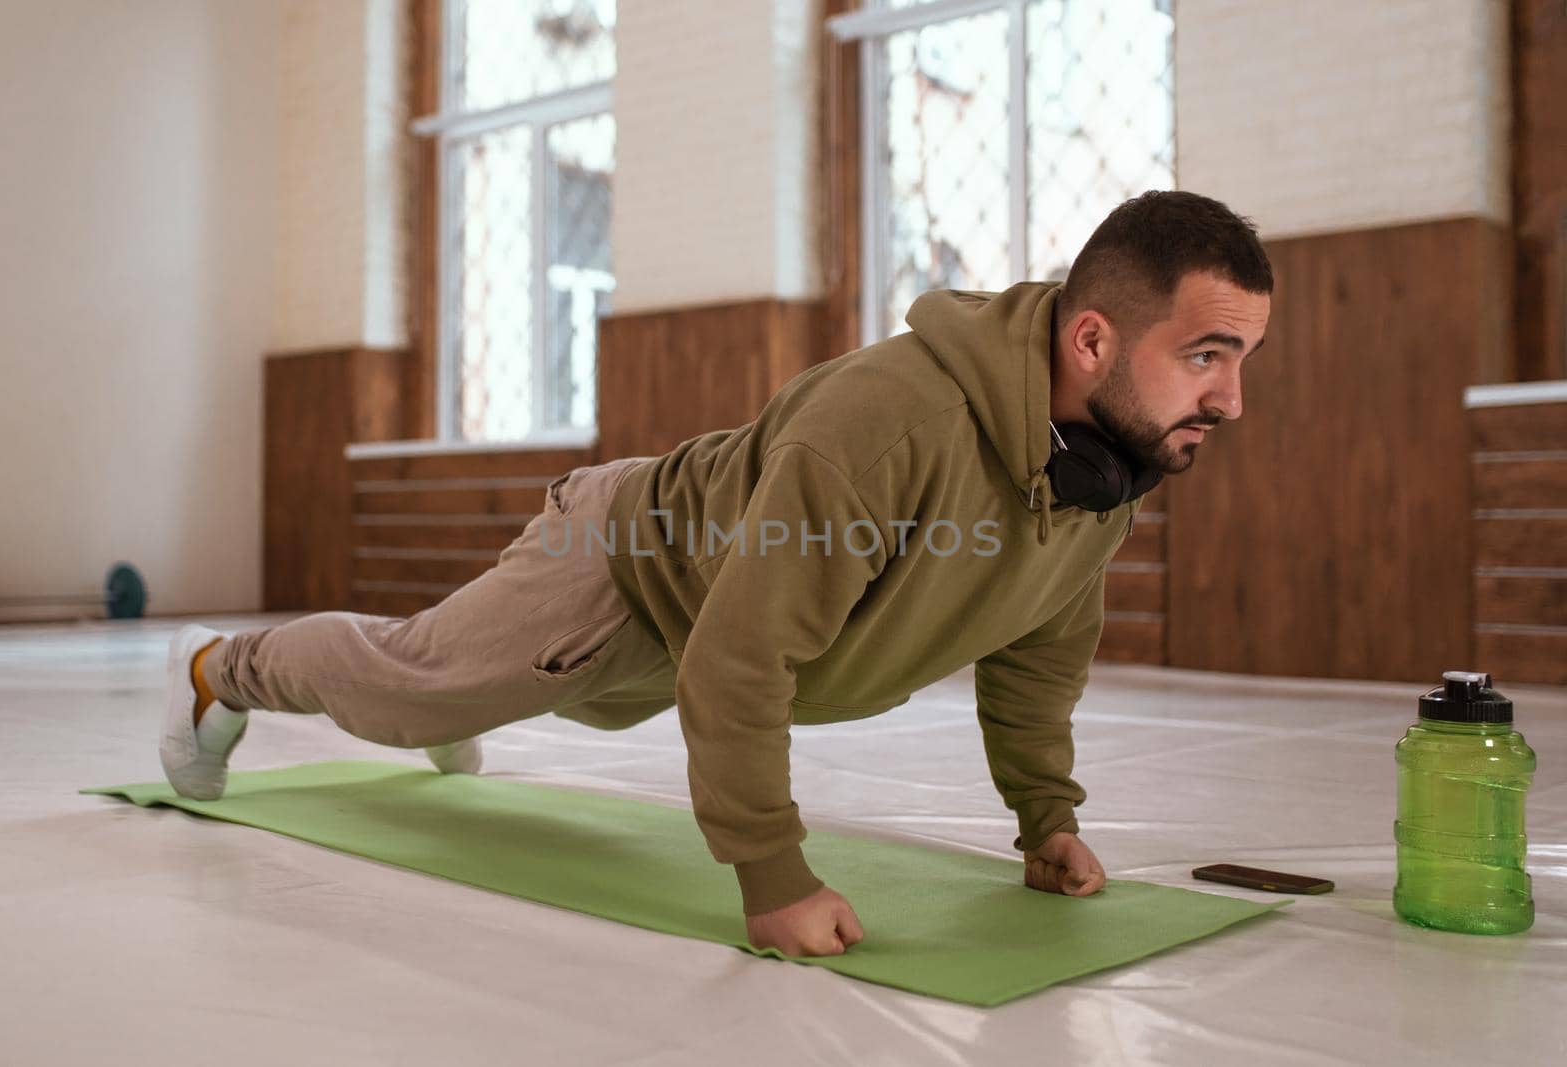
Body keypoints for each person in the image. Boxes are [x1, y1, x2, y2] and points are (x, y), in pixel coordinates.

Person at [159, 190, 1273, 958]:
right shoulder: (887, 427)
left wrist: (1044, 817)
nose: (1228, 399)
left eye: (1239, 360)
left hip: (706, 590)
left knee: (459, 671)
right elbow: (741, 660)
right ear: (1090, 342)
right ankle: (219, 669)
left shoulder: (1101, 473)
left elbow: (1037, 655)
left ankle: (469, 680)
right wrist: (772, 878)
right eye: (1205, 356)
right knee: (405, 688)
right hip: (625, 569)